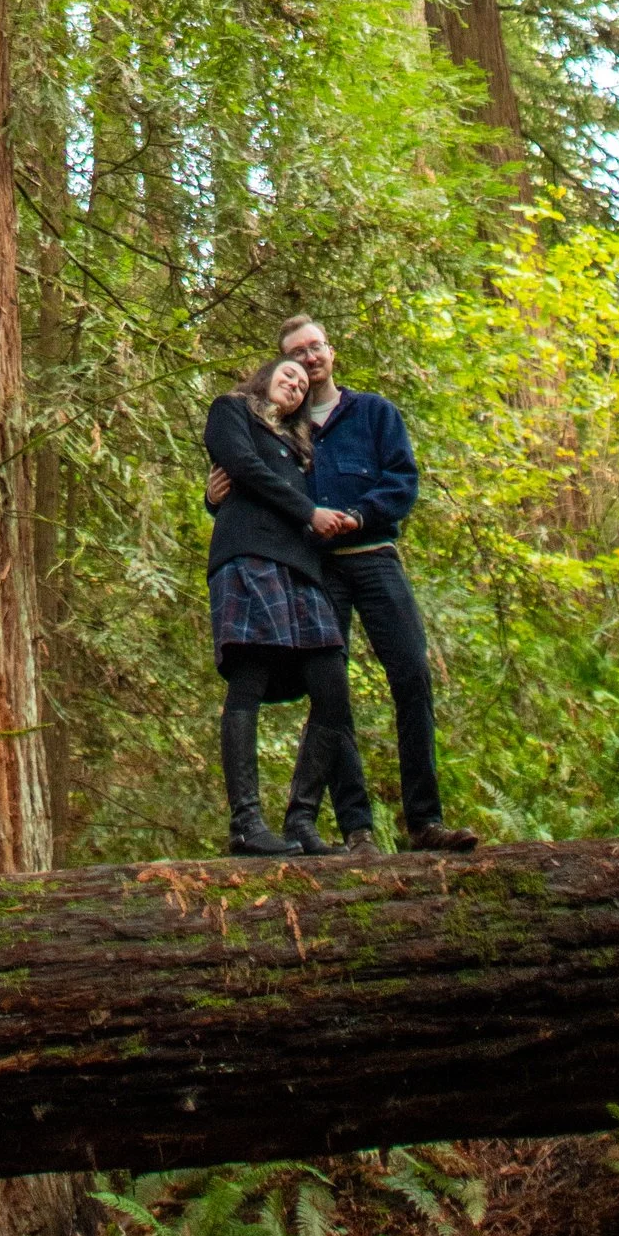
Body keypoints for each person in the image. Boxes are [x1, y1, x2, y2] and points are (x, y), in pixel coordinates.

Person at [206, 310, 477, 854]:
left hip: (373, 555)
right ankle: (356, 830)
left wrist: (357, 513)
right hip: (311, 568)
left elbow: (402, 482)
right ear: (276, 366)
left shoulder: (372, 413)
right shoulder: (281, 426)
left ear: (330, 351)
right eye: (295, 356)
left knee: (411, 676)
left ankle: (423, 821)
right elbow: (254, 482)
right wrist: (212, 500)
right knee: (330, 691)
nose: (308, 362)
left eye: (315, 349)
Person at [203, 353, 377, 859]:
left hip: (302, 569)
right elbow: (242, 467)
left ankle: (301, 821)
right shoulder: (231, 410)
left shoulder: (302, 449)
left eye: (303, 385)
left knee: (332, 687)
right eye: (288, 376)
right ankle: (245, 824)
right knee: (250, 674)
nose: (296, 386)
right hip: (250, 554)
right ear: (265, 377)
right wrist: (306, 511)